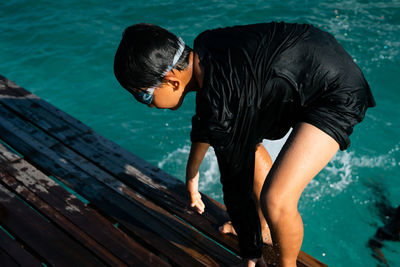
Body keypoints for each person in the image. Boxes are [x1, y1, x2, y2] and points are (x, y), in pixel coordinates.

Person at [113, 22, 376, 267]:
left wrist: (249, 252)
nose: (145, 104)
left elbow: (235, 185)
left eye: (143, 96)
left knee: (277, 198)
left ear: (171, 79)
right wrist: (192, 176)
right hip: (310, 60)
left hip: (336, 92)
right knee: (246, 143)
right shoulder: (206, 47)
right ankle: (263, 230)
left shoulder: (226, 98)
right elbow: (207, 114)